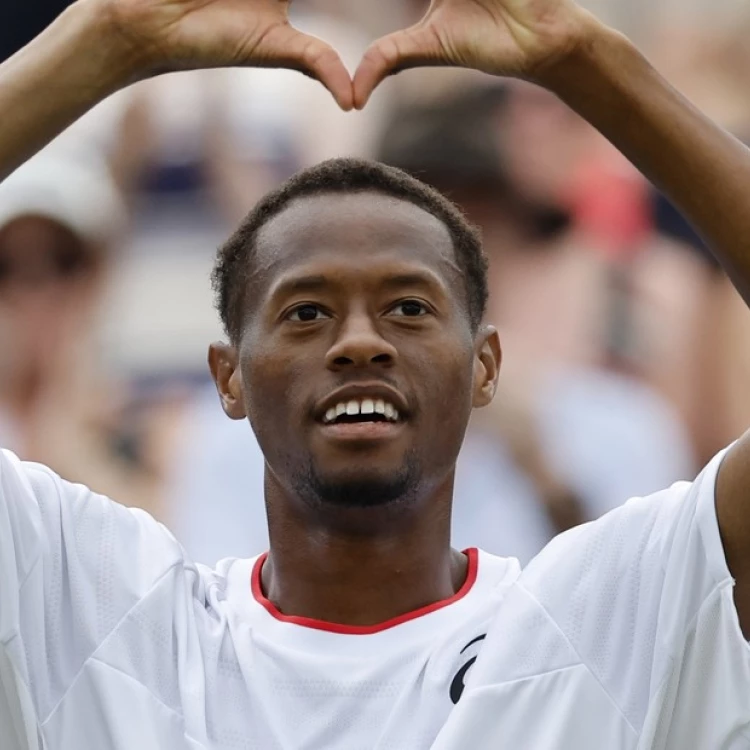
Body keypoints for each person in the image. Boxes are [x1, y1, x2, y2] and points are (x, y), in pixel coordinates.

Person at [1, 2, 750, 750]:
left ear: (484, 366)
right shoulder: (110, 618)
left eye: (408, 308)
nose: (360, 343)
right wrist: (103, 41)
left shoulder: (605, 618)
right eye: (305, 313)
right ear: (228, 378)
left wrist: (586, 62)